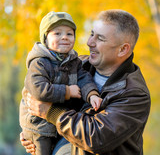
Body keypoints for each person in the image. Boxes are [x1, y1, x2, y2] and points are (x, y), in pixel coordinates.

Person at [20, 9, 151, 155]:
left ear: (122, 49)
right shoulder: (77, 64)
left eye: (100, 39)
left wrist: (51, 112)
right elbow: (35, 91)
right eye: (91, 34)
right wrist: (33, 131)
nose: (89, 43)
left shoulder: (135, 94)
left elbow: (96, 137)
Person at [19, 11, 102, 155]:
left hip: (58, 122)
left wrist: (92, 95)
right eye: (57, 33)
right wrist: (67, 91)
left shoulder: (74, 62)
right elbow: (38, 89)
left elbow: (84, 79)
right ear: (45, 38)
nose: (64, 37)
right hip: (39, 125)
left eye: (69, 34)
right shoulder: (39, 62)